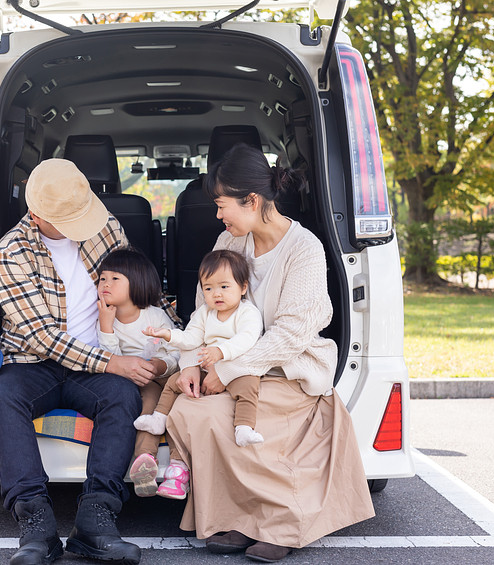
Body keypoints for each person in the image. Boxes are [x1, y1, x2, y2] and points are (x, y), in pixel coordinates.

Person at [164, 144, 375, 563]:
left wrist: (230, 371)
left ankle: (282, 521)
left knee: (210, 414)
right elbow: (204, 314)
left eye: (222, 206)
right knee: (187, 408)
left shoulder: (304, 248)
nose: (218, 216)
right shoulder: (230, 240)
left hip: (288, 370)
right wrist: (190, 365)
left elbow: (291, 333)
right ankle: (240, 518)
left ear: (252, 200)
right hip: (234, 369)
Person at [0, 158, 179, 565]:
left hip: (97, 360)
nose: (81, 225)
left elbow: (136, 285)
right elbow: (42, 337)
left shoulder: (103, 224)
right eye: (68, 219)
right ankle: (35, 527)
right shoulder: (9, 252)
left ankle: (96, 521)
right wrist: (112, 363)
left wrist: (179, 335)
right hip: (34, 361)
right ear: (36, 214)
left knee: (123, 396)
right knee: (3, 394)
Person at [136, 249, 264, 500]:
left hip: (236, 366)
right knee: (173, 383)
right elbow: (191, 338)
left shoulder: (247, 312)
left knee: (250, 385)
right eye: (208, 288)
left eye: (224, 286)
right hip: (207, 366)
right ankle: (159, 418)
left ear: (243, 287)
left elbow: (247, 339)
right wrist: (169, 335)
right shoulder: (204, 313)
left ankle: (244, 427)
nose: (216, 294)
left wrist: (221, 351)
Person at [94, 248, 181, 497]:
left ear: (137, 283)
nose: (106, 284)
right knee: (149, 403)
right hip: (137, 380)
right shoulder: (103, 319)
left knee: (179, 403)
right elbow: (109, 359)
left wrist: (160, 366)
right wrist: (106, 326)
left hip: (166, 372)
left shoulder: (155, 315)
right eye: (102, 278)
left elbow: (177, 351)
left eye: (115, 278)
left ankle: (179, 464)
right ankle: (145, 460)